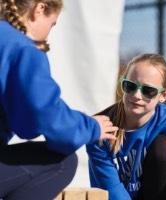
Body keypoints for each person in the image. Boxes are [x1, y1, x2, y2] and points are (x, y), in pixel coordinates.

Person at [0, 0, 118, 199]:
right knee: (62, 163)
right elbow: (46, 117)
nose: (49, 33)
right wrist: (91, 127)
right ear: (40, 8)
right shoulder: (23, 50)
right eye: (52, 24)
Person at [86, 53, 166, 200]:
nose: (137, 95)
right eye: (130, 86)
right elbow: (112, 190)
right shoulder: (102, 127)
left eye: (148, 91)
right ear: (123, 85)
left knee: (163, 146)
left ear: (164, 95)